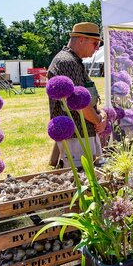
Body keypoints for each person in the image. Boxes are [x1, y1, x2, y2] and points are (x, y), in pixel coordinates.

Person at [47, 22, 107, 167]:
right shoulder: (68, 62)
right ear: (81, 39)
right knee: (82, 180)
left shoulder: (74, 61)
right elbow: (80, 104)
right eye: (94, 43)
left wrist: (102, 114)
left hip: (82, 134)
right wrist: (98, 120)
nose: (97, 48)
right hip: (77, 137)